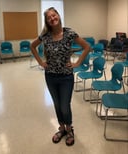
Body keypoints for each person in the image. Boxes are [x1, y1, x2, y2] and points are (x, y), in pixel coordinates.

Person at [30, 7, 90, 146]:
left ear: (58, 15)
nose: (52, 18)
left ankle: (69, 130)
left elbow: (87, 47)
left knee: (64, 105)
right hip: (50, 76)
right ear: (47, 21)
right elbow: (32, 46)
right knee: (57, 104)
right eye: (49, 17)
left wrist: (78, 63)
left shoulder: (69, 33)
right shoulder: (45, 36)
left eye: (54, 15)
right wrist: (41, 62)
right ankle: (61, 128)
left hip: (66, 77)